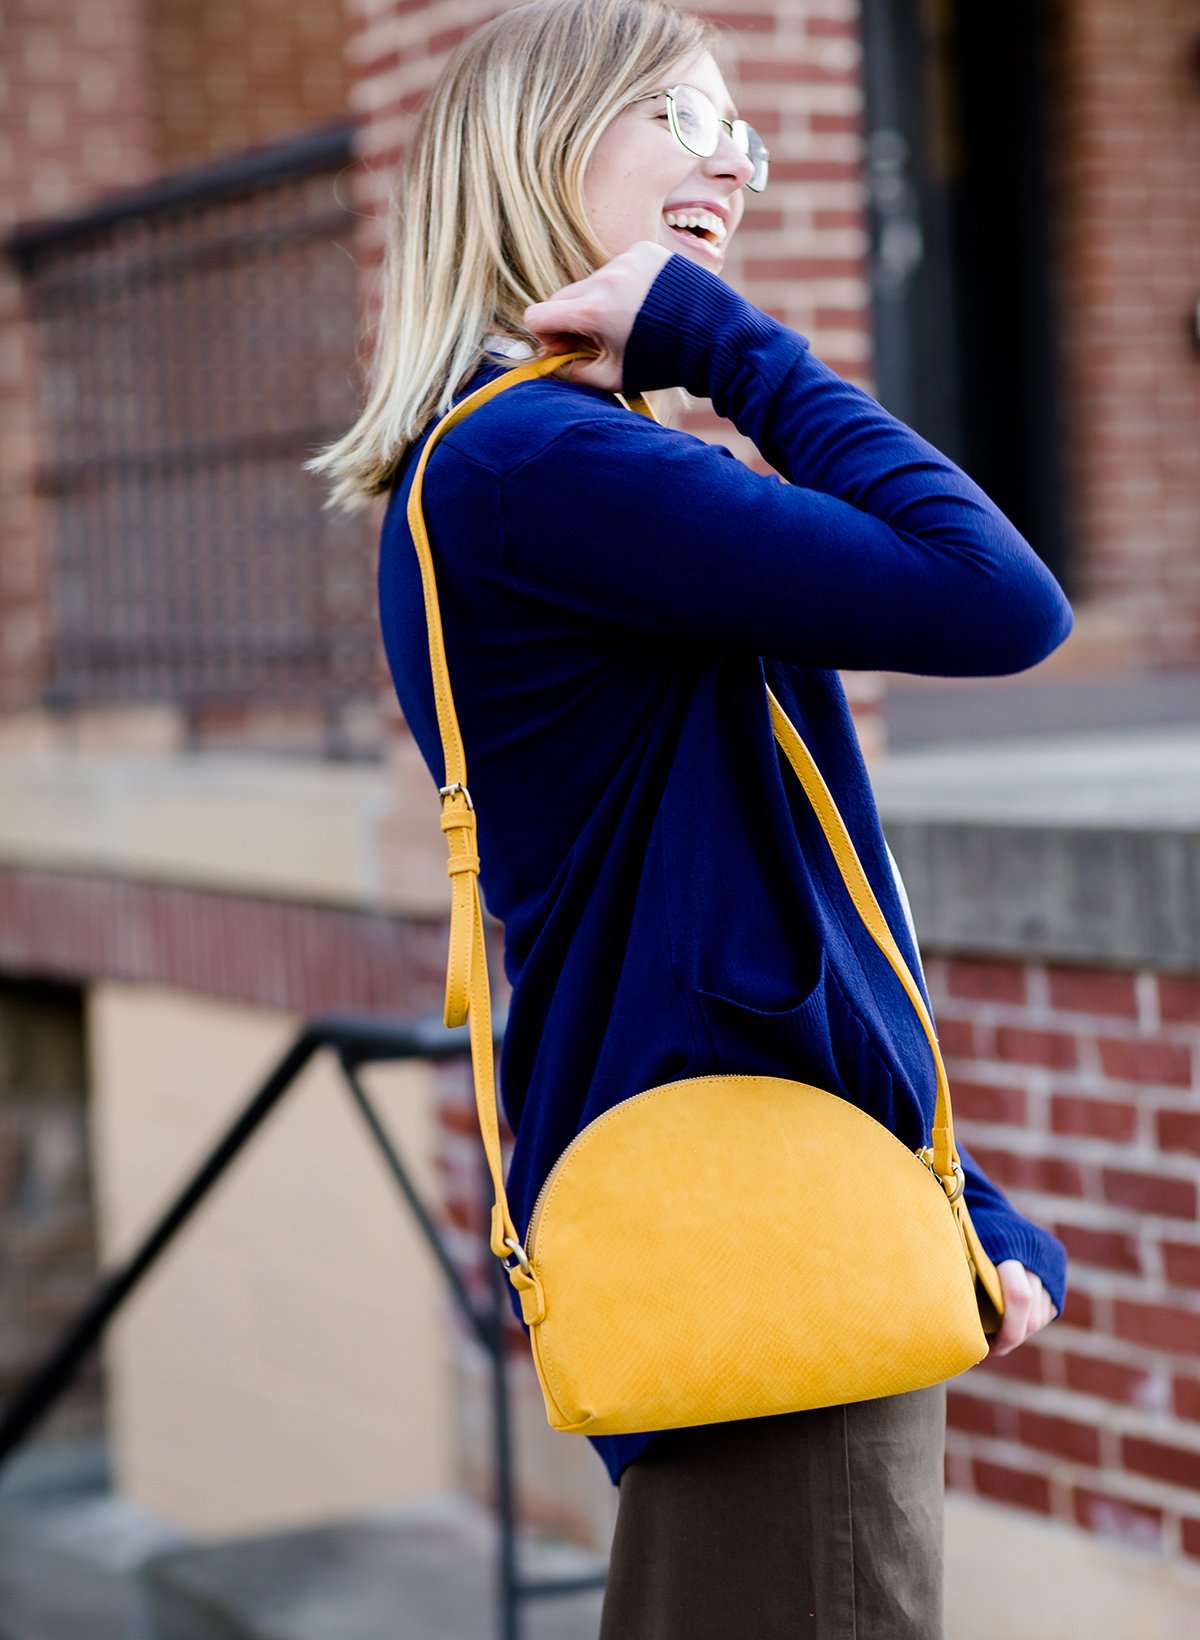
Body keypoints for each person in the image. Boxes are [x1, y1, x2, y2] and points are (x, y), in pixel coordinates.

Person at [305, 2, 1069, 1634]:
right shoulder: (542, 470)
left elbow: (765, 882)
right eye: (674, 111)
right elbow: (1000, 600)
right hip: (749, 1221)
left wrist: (949, 1190)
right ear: (535, 144)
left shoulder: (537, 473)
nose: (727, 153)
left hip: (768, 1194)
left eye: (742, 127)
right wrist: (730, 345)